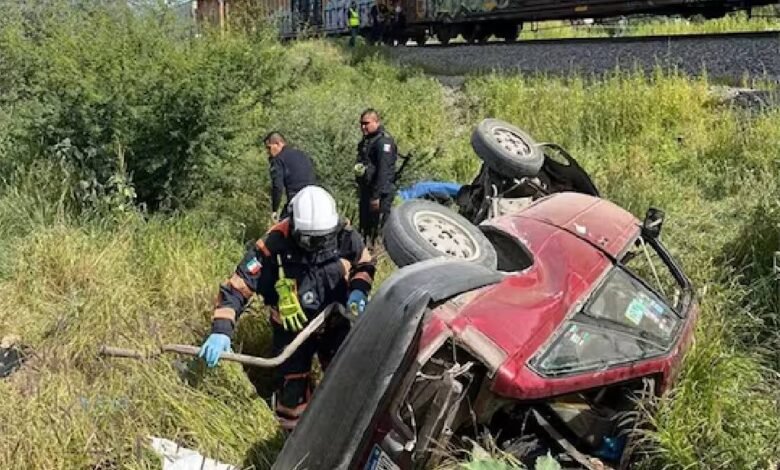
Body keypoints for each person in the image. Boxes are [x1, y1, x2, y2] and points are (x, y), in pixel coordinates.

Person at [198, 186, 375, 430]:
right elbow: (236, 289)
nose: (316, 245)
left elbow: (364, 264)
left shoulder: (343, 234)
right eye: (309, 239)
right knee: (292, 397)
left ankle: (344, 429)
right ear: (294, 226)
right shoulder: (273, 246)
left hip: (335, 324)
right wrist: (221, 330)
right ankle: (296, 443)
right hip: (291, 334)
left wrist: (358, 290)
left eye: (322, 238)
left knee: (347, 381)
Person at [354, 109, 397, 247]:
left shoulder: (383, 142)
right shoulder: (368, 141)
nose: (363, 127)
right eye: (361, 124)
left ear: (376, 122)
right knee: (365, 227)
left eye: (366, 123)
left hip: (380, 194)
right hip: (367, 190)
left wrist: (376, 196)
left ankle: (377, 252)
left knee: (376, 229)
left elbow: (383, 172)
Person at [264, 131, 317, 221]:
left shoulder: (278, 159)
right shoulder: (302, 154)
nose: (268, 152)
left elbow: (277, 187)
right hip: (315, 197)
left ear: (278, 144)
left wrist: (274, 210)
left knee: (280, 230)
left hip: (296, 200)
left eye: (269, 148)